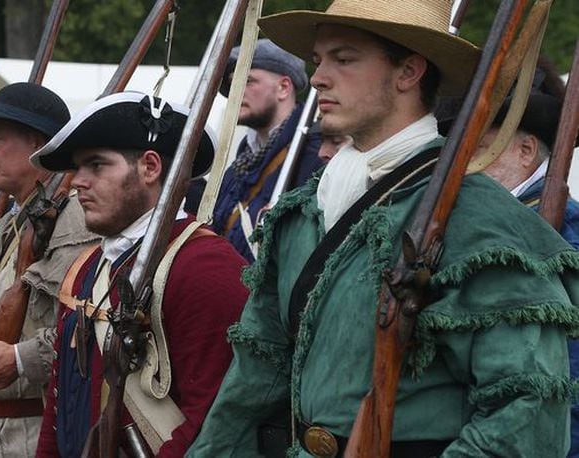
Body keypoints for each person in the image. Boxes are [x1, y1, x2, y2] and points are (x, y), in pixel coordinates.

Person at [189, 1, 579, 456]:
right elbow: (255, 379)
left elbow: (527, 414)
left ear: (409, 72)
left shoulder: (485, 224)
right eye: (319, 60)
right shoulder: (302, 212)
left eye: (345, 59)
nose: (317, 78)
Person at [31, 92, 249, 456]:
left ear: (149, 167)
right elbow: (60, 402)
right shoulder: (87, 267)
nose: (77, 182)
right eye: (78, 168)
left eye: (96, 165)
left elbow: (214, 419)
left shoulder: (206, 267)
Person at [0, 83, 98, 457]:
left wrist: (19, 360)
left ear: (39, 145)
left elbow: (81, 332)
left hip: (35, 430)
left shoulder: (76, 222)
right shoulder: (10, 224)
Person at [474, 88, 579, 457]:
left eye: (479, 149)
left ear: (525, 150)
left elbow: (566, 378)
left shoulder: (563, 230)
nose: (465, 164)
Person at [211, 38, 323, 262]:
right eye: (233, 83)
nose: (236, 92)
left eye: (248, 81)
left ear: (283, 87)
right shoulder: (238, 167)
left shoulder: (315, 156)